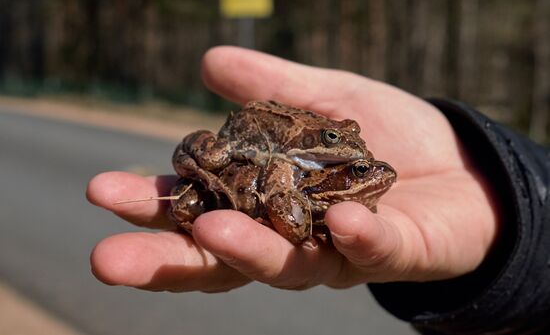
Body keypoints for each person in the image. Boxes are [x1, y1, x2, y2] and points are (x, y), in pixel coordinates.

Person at [86, 46, 550, 334]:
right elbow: (281, 200)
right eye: (333, 142)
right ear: (313, 143)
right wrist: (215, 184)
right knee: (214, 161)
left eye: (346, 138)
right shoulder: (288, 160)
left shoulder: (316, 163)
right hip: (235, 143)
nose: (345, 148)